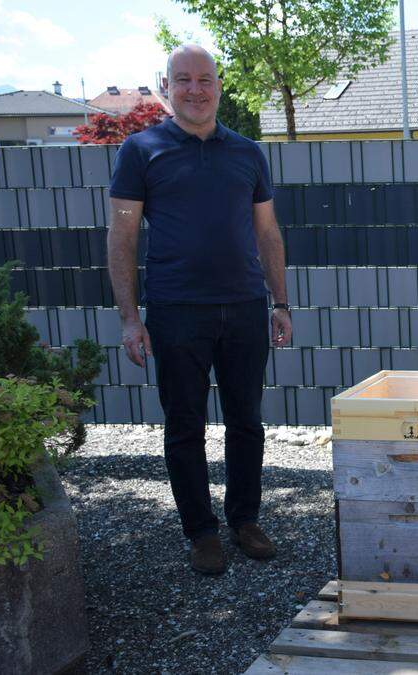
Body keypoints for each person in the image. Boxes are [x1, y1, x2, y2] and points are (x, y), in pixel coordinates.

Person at [107, 44, 292, 575]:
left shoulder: (249, 153)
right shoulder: (141, 151)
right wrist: (129, 318)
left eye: (204, 78)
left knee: (246, 422)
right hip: (175, 311)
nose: (195, 88)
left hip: (243, 306)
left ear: (217, 84)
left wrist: (280, 302)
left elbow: (267, 231)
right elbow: (121, 237)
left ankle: (244, 519)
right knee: (184, 425)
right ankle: (201, 531)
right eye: (182, 79)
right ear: (167, 86)